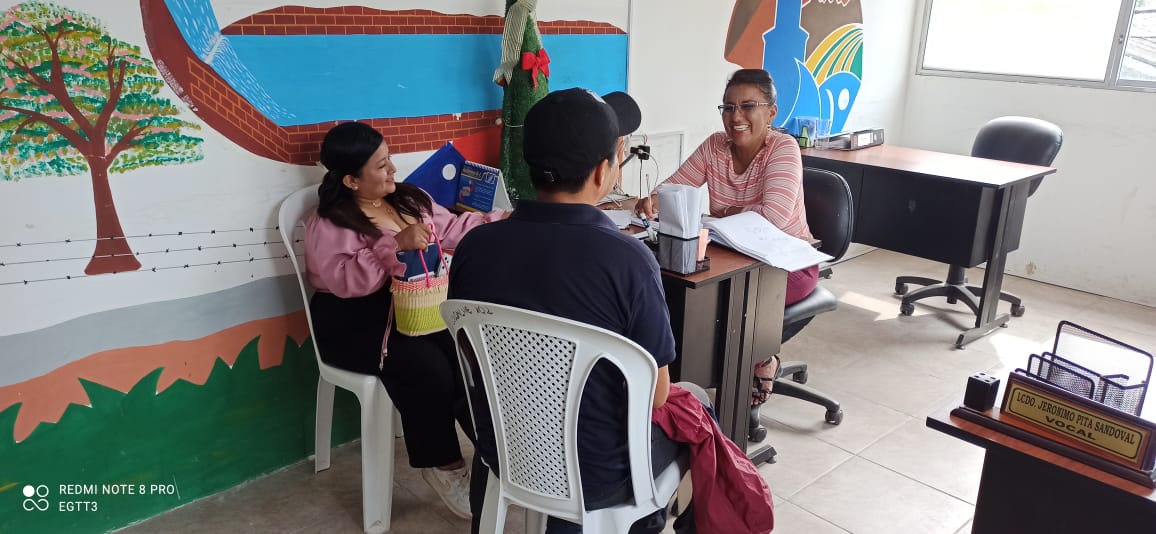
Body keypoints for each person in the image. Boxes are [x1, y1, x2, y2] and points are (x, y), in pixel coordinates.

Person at [449, 89, 696, 533]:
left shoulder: (474, 247)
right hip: (601, 474)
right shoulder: (629, 261)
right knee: (698, 413)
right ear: (604, 169)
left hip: (508, 450)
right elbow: (656, 395)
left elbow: (471, 354)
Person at [303, 121, 505, 520]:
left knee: (465, 354)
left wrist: (503, 221)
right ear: (351, 180)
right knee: (428, 368)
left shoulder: (409, 200)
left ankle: (494, 454)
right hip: (352, 321)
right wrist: (393, 245)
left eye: (389, 158)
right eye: (381, 166)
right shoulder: (329, 223)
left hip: (413, 307)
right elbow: (342, 281)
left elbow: (450, 229)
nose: (393, 169)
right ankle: (444, 465)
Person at [634, 68, 817, 403]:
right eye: (728, 107)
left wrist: (723, 212)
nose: (736, 117)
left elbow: (773, 219)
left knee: (722, 304)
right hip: (728, 257)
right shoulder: (715, 146)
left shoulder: (783, 148)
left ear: (771, 113)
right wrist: (655, 199)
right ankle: (689, 380)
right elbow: (674, 188)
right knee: (681, 291)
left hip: (786, 264)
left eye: (748, 106)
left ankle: (759, 359)